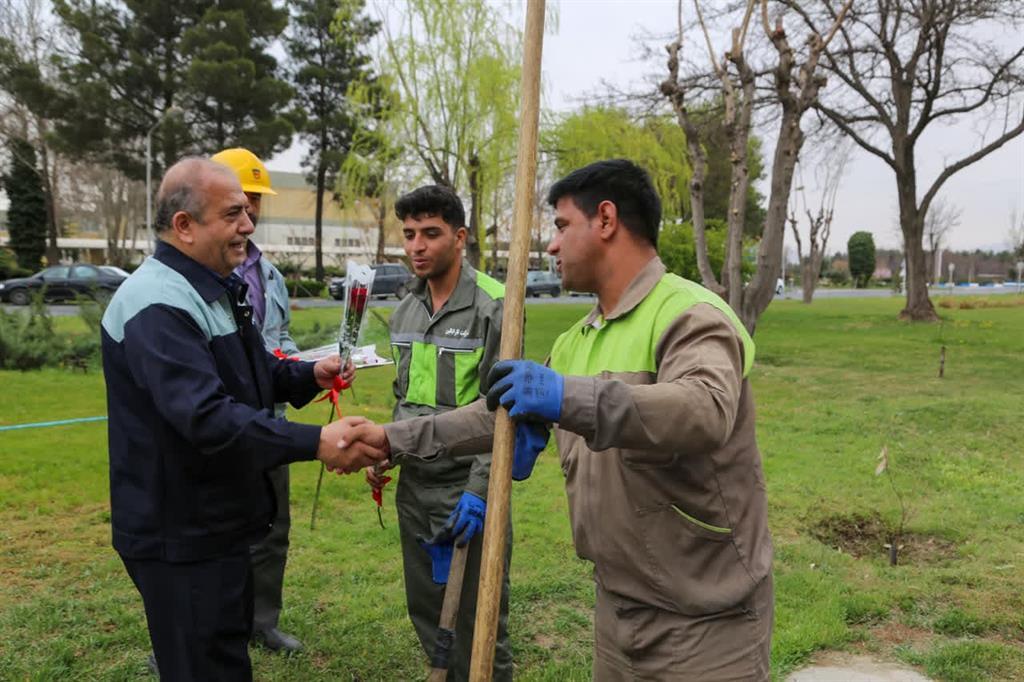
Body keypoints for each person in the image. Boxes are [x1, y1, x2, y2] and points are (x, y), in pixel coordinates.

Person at [346, 159, 774, 680]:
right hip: (617, 605)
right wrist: (392, 438)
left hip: (708, 615)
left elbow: (702, 411)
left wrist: (568, 398)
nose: (551, 245)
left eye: (562, 225)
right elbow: (492, 420)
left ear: (607, 220)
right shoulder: (577, 341)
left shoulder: (689, 314)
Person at [101, 157, 384, 682]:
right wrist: (316, 441)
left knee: (224, 657)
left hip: (216, 524)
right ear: (184, 226)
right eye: (233, 214)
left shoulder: (212, 287)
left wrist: (306, 375)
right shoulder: (156, 304)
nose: (249, 226)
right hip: (180, 535)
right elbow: (206, 417)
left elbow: (252, 374)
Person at [365, 185, 513, 681]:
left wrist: (480, 492)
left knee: (480, 623)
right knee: (428, 612)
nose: (416, 247)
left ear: (460, 237)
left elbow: (503, 414)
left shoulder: (496, 306)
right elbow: (406, 398)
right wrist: (386, 452)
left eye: (430, 233)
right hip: (416, 492)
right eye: (408, 235)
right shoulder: (405, 309)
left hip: (466, 494)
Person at [211, 147, 304, 653]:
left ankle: (261, 621)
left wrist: (308, 369)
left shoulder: (268, 275)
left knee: (272, 527)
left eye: (255, 201)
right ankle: (195, 633)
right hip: (219, 427)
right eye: (239, 201)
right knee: (213, 535)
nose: (249, 211)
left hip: (271, 422)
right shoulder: (190, 279)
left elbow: (279, 338)